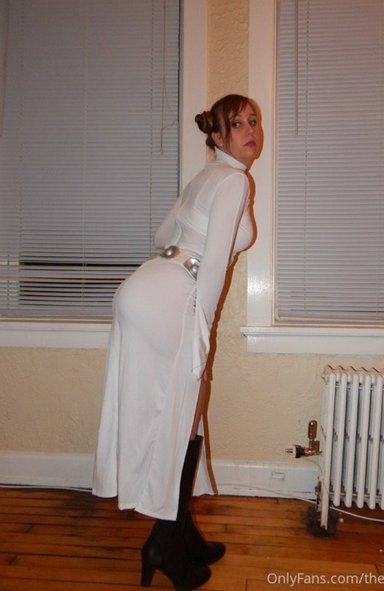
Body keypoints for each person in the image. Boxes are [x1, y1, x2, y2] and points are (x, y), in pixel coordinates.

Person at [92, 94, 261, 590]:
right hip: (173, 296)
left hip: (146, 285)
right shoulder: (234, 180)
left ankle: (182, 536)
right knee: (183, 409)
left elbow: (163, 234)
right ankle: (164, 545)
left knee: (182, 417)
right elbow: (213, 264)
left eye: (254, 121)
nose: (250, 130)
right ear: (219, 136)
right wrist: (201, 338)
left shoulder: (207, 177)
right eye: (238, 124)